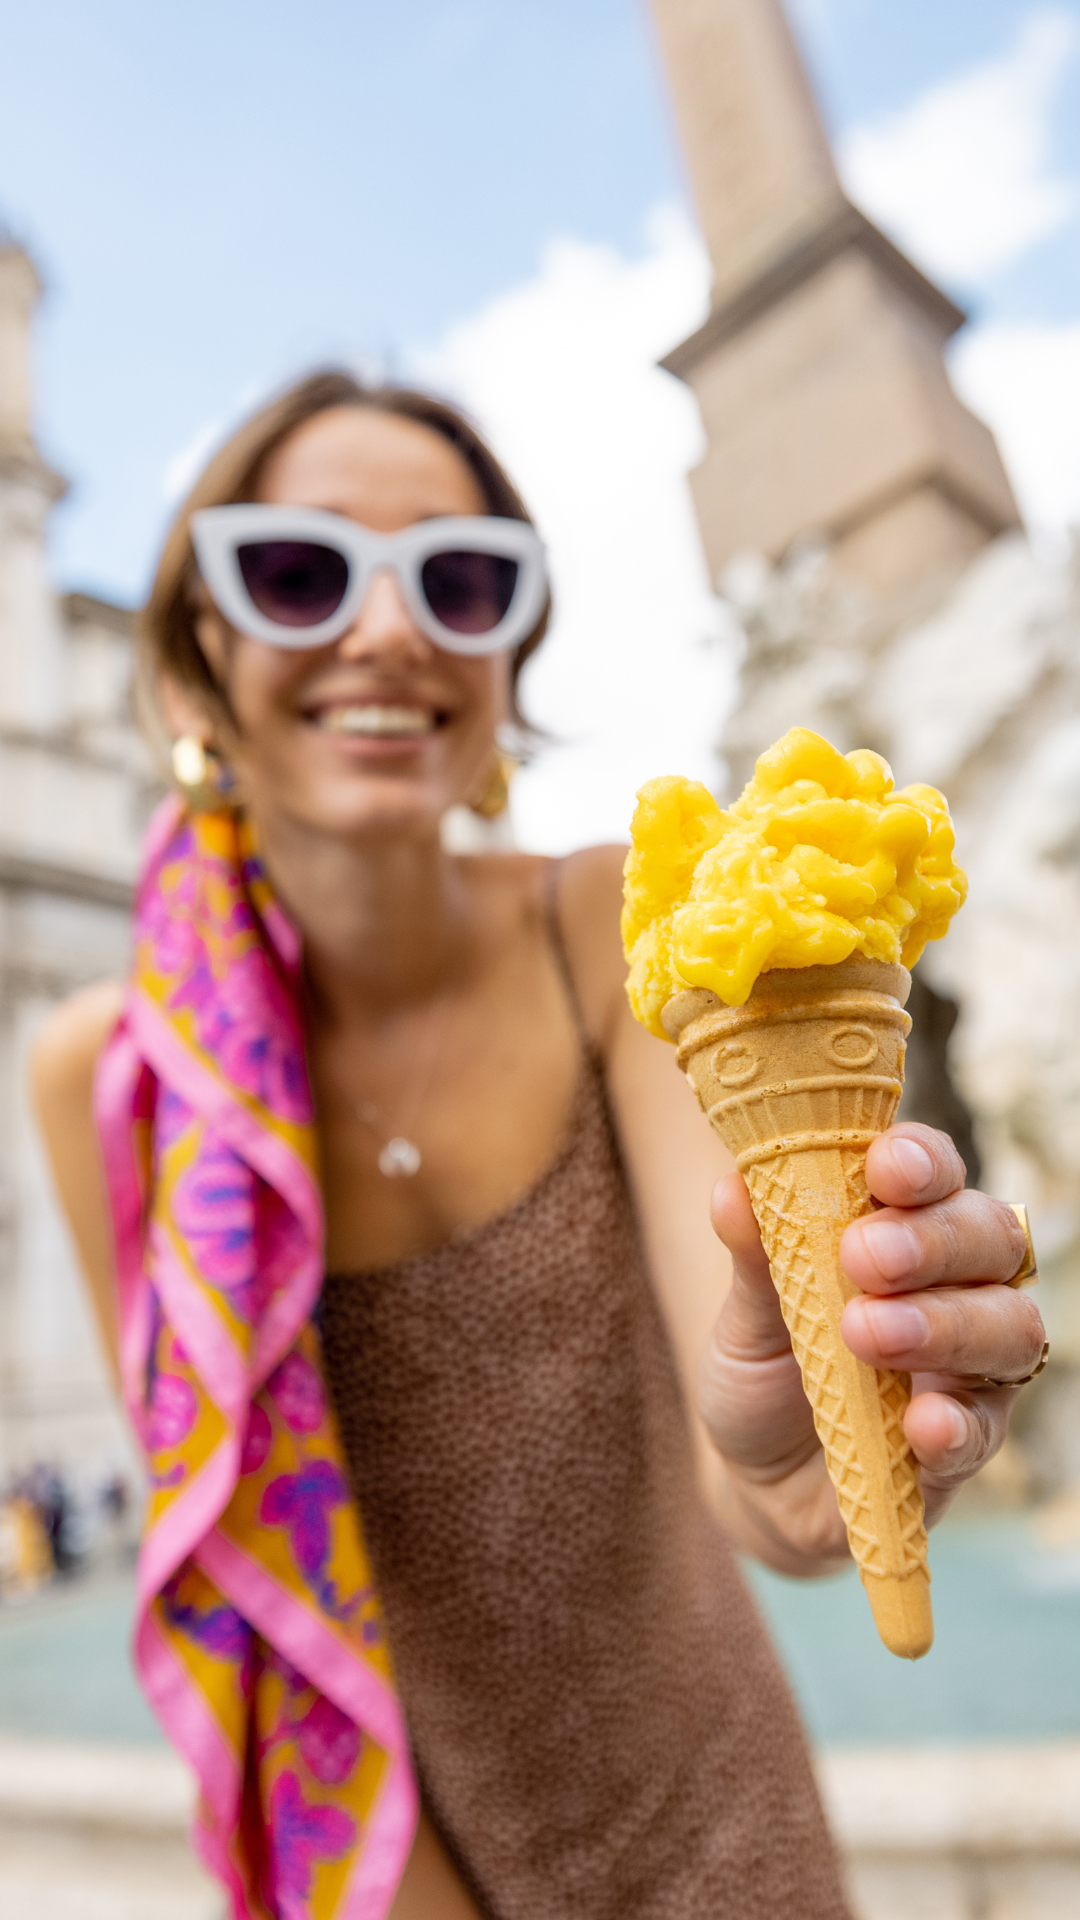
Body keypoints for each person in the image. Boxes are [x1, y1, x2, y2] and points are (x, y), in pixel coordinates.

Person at [31, 370, 1045, 1920]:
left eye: (460, 578)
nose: (385, 630)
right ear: (197, 663)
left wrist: (817, 1426)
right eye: (296, 572)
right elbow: (223, 1566)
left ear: (506, 661)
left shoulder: (617, 940)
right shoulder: (105, 1074)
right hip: (391, 1883)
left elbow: (769, 1497)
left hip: (723, 1841)